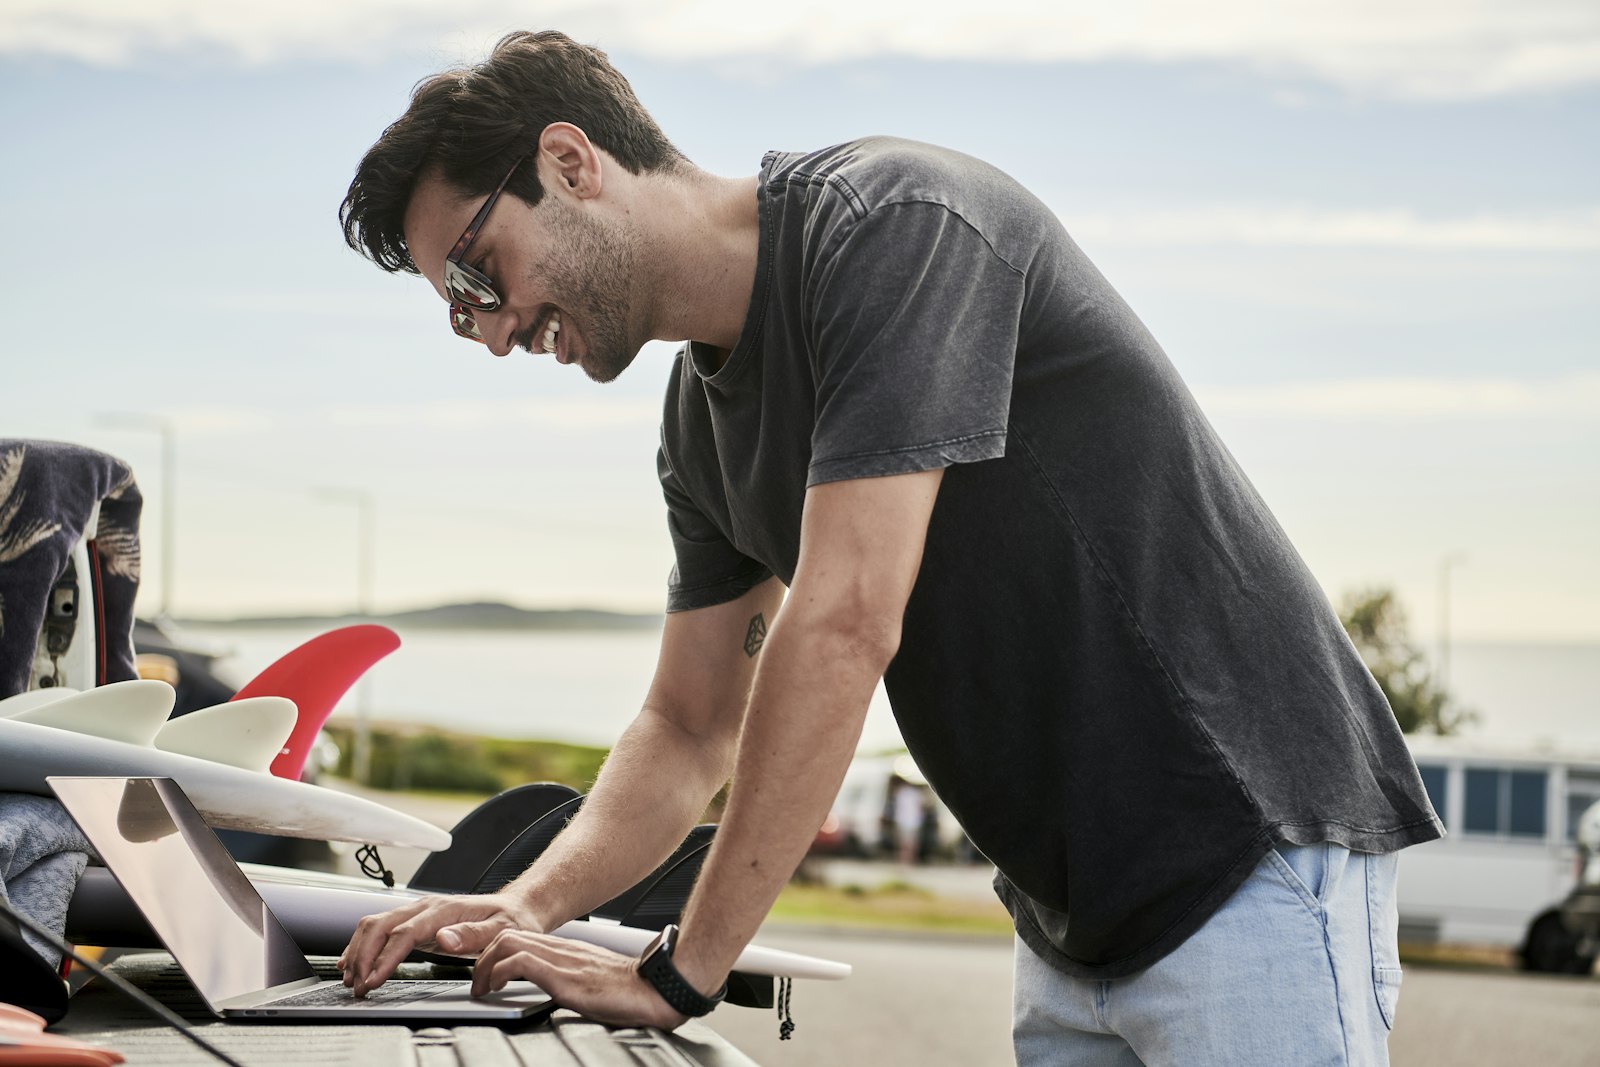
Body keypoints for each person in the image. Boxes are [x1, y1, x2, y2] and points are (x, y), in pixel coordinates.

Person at [335, 30, 1442, 1064]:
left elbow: (846, 617)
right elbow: (686, 723)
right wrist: (524, 900)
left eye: (479, 274)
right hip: (1069, 920)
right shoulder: (696, 427)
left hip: (1247, 849)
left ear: (570, 163)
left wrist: (683, 970)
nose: (489, 330)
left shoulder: (894, 226)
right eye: (457, 310)